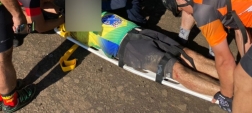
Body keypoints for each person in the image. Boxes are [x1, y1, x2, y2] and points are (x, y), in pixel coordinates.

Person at [161, 0, 252, 112]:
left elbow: (225, 61)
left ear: (180, 0)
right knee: (250, 67)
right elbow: (241, 33)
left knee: (244, 81)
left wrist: (226, 95)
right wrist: (251, 67)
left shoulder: (202, 8)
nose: (186, 14)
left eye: (179, 11)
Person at [69, 12, 220, 97]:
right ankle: (230, 95)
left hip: (142, 32)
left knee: (188, 54)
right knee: (176, 70)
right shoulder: (76, 30)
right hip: (128, 47)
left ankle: (237, 79)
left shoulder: (100, 10)